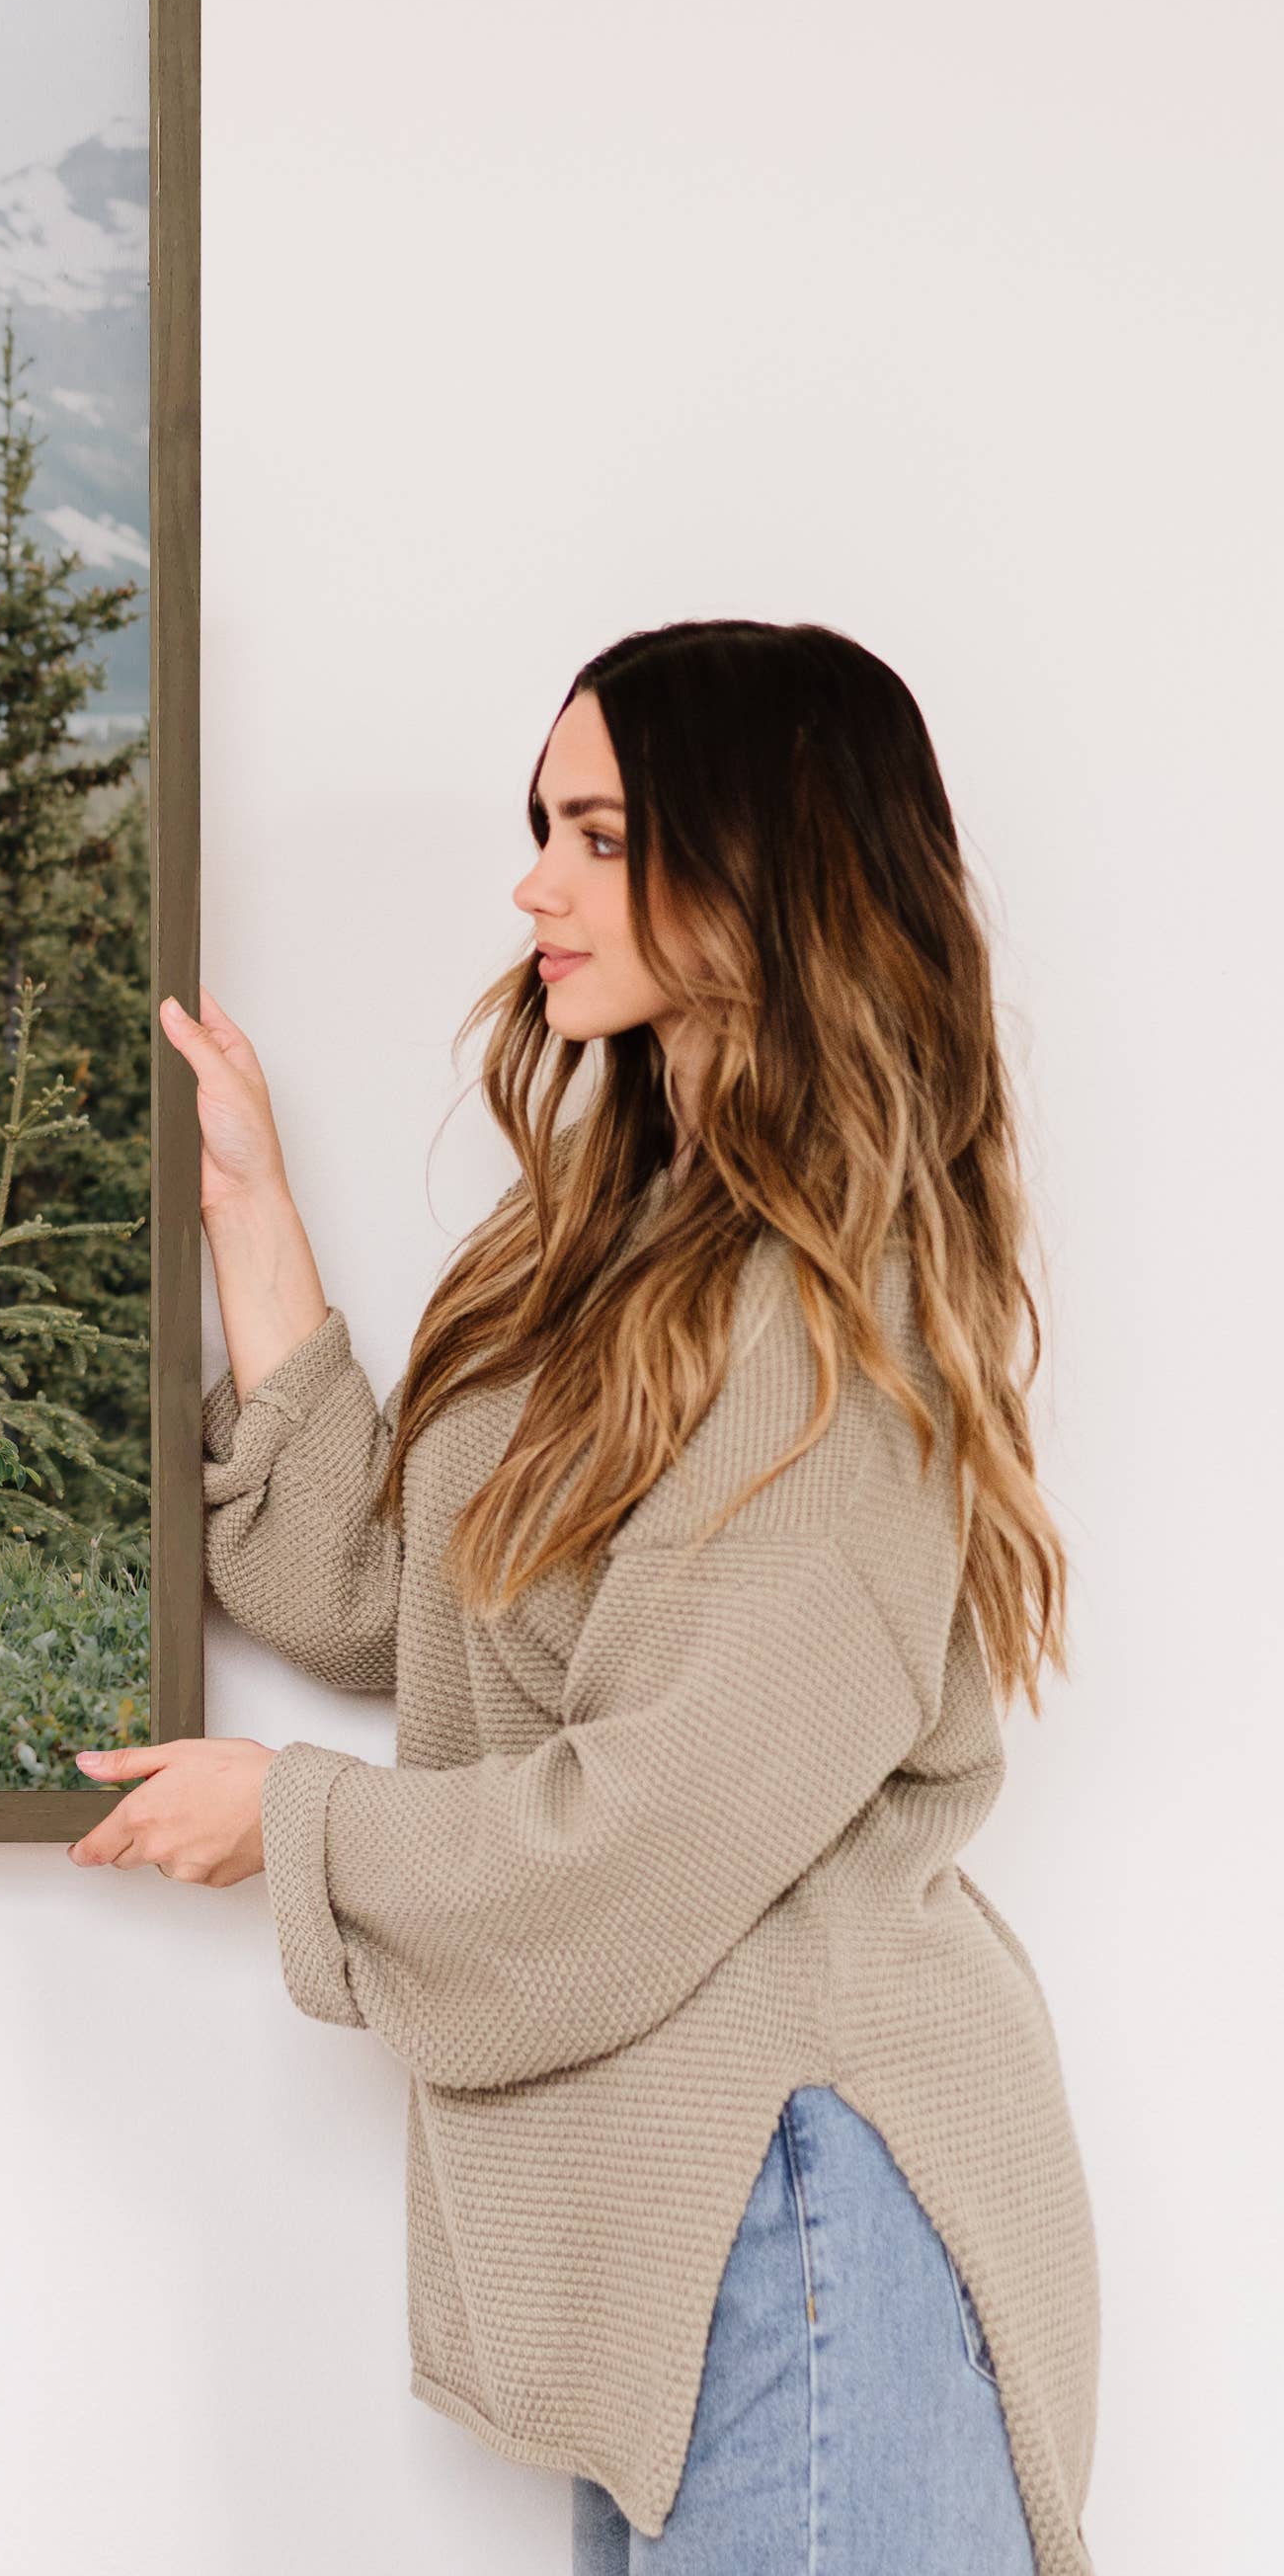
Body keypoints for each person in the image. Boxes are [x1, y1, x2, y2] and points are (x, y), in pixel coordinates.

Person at [68, 621, 1096, 2575]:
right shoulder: (626, 1255)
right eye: (544, 824)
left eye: (602, 834)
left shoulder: (824, 1333)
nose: (536, 881)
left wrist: (287, 1820)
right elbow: (411, 1600)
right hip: (697, 2235)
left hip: (806, 2217)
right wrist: (251, 1216)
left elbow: (650, 1831)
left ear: (764, 863)